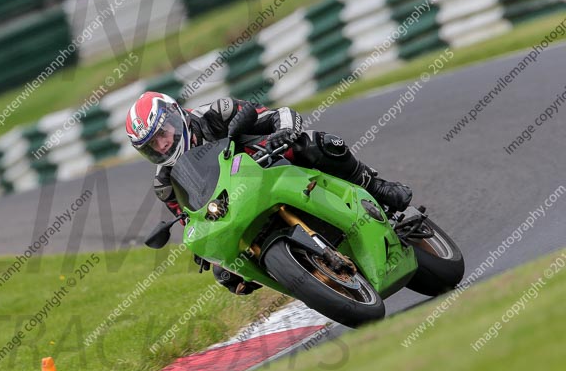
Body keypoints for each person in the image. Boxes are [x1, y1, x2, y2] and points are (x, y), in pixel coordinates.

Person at [125, 91, 412, 295]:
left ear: (175, 116)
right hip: (235, 205)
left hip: (270, 162)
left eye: (163, 134)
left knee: (316, 144)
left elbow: (278, 115)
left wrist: (284, 132)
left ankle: (377, 187)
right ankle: (306, 278)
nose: (162, 146)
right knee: (225, 273)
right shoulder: (165, 184)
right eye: (152, 146)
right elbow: (191, 218)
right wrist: (203, 251)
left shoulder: (216, 114)